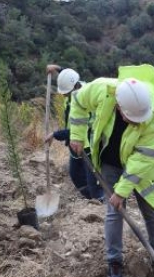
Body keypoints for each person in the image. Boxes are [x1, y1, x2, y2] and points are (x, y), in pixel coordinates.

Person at [69, 64, 154, 277]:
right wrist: (77, 135)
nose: (137, 122)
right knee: (114, 212)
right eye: (132, 118)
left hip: (147, 168)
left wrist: (122, 191)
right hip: (110, 161)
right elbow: (78, 102)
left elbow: (142, 160)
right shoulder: (102, 90)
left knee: (150, 211)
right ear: (118, 106)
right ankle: (114, 262)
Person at [44, 64, 103, 201]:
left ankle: (100, 200)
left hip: (87, 144)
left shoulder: (87, 100)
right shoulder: (76, 86)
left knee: (93, 180)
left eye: (65, 92)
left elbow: (76, 131)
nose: (63, 94)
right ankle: (90, 199)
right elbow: (69, 76)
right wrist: (57, 68)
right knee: (76, 175)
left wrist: (55, 134)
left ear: (73, 89)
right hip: (73, 144)